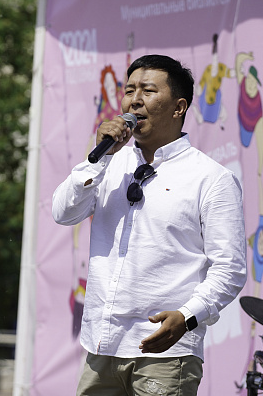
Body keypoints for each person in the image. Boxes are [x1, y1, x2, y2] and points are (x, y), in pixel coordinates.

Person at [52, 54, 247, 396]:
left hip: (165, 353)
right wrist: (100, 158)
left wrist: (187, 316)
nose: (134, 100)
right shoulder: (109, 163)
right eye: (129, 90)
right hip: (102, 345)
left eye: (148, 91)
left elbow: (230, 269)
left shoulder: (211, 178)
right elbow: (63, 212)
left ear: (178, 107)